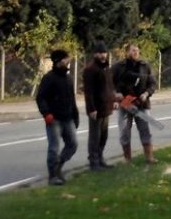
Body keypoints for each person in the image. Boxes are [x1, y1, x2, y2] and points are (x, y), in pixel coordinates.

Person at [36, 49, 79, 185]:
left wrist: (75, 116)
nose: (68, 62)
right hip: (54, 118)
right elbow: (40, 97)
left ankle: (58, 166)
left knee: (72, 144)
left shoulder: (68, 78)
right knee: (54, 147)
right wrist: (46, 113)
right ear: (58, 61)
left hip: (68, 118)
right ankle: (53, 176)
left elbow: (72, 99)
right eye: (66, 60)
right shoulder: (49, 78)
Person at [111, 44, 157, 164]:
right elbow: (108, 83)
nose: (135, 52)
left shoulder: (145, 66)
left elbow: (152, 84)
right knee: (124, 132)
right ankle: (127, 159)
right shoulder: (118, 67)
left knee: (145, 130)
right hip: (124, 104)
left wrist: (146, 93)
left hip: (142, 104)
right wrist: (116, 93)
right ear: (127, 52)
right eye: (133, 50)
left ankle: (149, 157)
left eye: (137, 50)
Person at [82, 41, 119, 171]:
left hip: (106, 108)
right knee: (95, 136)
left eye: (104, 53)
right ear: (95, 54)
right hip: (96, 109)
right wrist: (91, 108)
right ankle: (94, 161)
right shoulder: (90, 69)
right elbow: (88, 91)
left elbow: (110, 86)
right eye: (100, 53)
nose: (103, 55)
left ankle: (100, 158)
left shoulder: (106, 68)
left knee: (104, 135)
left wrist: (114, 100)